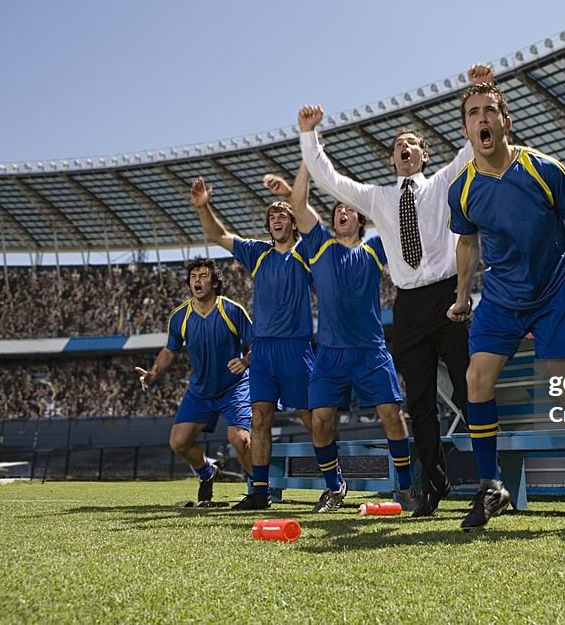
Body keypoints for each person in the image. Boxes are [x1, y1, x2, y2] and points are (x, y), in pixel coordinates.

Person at [296, 64, 492, 517]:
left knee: (469, 391)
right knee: (420, 403)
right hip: (408, 307)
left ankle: (489, 481)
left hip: (448, 297)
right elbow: (331, 181)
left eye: (412, 145)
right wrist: (310, 135)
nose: (405, 149)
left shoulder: (443, 182)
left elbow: (476, 142)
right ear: (392, 161)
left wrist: (482, 89)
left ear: (423, 156)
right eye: (398, 147)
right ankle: (433, 490)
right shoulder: (378, 198)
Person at [446, 81, 565, 530]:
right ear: (466, 130)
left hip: (553, 294)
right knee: (475, 380)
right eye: (473, 113)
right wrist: (463, 295)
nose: (482, 118)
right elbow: (467, 243)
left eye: (490, 110)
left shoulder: (543, 168)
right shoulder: (462, 189)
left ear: (506, 121)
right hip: (501, 298)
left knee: (564, 389)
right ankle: (491, 487)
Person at [268, 116, 416, 513]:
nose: (342, 213)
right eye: (336, 210)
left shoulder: (374, 249)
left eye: (349, 210)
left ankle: (404, 487)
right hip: (330, 354)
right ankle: (335, 487)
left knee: (392, 415)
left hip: (370, 351)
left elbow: (408, 230)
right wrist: (309, 151)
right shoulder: (318, 247)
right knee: (320, 420)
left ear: (359, 218)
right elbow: (298, 205)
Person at [190, 177, 314, 510]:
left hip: (296, 347)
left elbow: (313, 226)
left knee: (309, 415)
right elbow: (219, 235)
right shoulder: (257, 253)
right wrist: (204, 207)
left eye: (283, 215)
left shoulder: (306, 251)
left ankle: (334, 483)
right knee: (259, 418)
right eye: (272, 216)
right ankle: (260, 490)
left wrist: (293, 198)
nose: (277, 219)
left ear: (293, 223)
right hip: (263, 350)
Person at [136, 257, 253, 504]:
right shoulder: (180, 316)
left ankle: (259, 488)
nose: (197, 280)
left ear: (214, 282)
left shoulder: (232, 310)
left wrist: (244, 362)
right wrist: (154, 372)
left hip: (235, 387)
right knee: (178, 442)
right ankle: (207, 473)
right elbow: (169, 350)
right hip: (201, 391)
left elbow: (258, 343)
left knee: (240, 439)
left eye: (203, 276)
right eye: (193, 277)